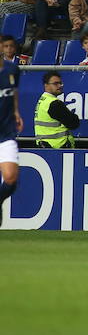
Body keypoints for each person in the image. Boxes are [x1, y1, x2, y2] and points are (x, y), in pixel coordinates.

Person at [0, 48, 18, 218]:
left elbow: (14, 92)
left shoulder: (12, 69)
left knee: (11, 178)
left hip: (5, 133)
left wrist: (17, 112)